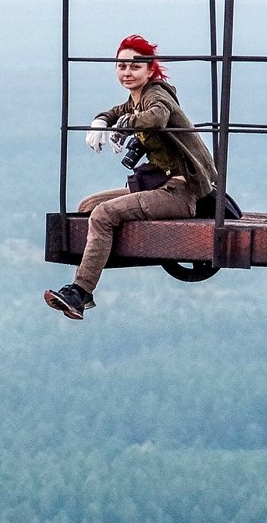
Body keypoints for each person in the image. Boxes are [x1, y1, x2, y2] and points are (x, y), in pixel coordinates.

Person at [44, 34, 216, 319]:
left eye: (135, 66)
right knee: (88, 205)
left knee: (103, 214)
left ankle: (81, 291)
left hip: (180, 192)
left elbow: (157, 117)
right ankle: (93, 263)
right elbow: (116, 111)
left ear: (150, 69)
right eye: (121, 66)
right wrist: (102, 121)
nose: (127, 72)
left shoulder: (156, 94)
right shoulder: (136, 98)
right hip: (162, 185)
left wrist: (125, 126)